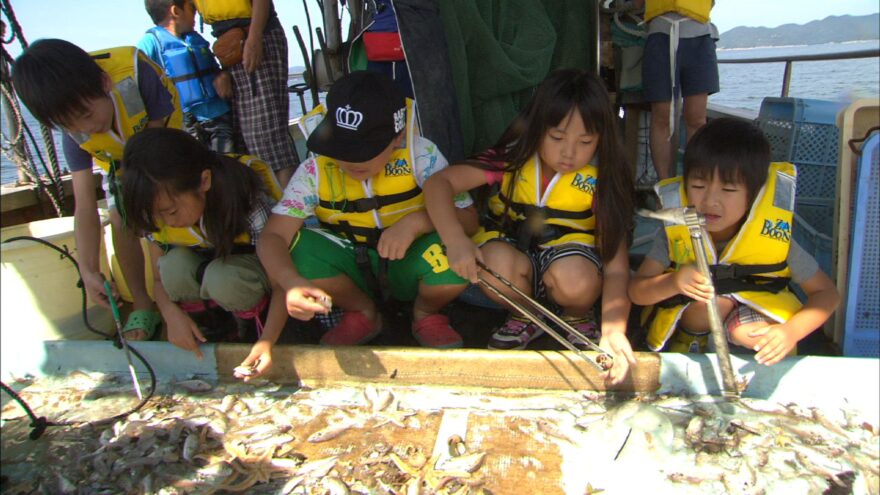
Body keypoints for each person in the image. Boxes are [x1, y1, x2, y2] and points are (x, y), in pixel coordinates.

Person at [423, 69, 637, 386]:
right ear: (538, 129)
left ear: (601, 140)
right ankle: (524, 315)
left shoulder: (601, 181)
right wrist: (455, 240)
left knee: (576, 280)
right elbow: (439, 183)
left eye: (585, 141)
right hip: (514, 266)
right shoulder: (510, 160)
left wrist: (614, 331)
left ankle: (578, 317)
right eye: (557, 137)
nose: (569, 152)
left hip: (571, 266)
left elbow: (617, 267)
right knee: (491, 260)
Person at [258, 70, 478, 350]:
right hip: (352, 269)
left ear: (397, 138)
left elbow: (470, 220)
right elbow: (272, 237)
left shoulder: (422, 155)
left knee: (456, 247)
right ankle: (362, 313)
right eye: (341, 146)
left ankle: (426, 313)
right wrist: (291, 282)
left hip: (410, 264)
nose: (349, 159)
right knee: (295, 249)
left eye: (363, 149)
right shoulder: (314, 169)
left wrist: (415, 223)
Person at [628, 118, 840, 365]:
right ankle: (690, 343)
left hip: (746, 321)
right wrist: (673, 281)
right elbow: (636, 292)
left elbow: (827, 294)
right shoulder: (672, 234)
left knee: (749, 332)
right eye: (698, 185)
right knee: (711, 303)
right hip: (693, 323)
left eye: (728, 190)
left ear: (753, 195)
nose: (710, 201)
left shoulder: (774, 236)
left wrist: (790, 332)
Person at [12, 38, 183, 341]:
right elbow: (85, 206)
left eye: (88, 115)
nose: (85, 128)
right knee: (120, 217)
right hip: (119, 159)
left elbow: (158, 145)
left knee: (163, 208)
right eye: (70, 124)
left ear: (105, 83)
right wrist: (88, 270)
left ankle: (176, 303)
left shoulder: (136, 74)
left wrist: (143, 191)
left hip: (166, 142)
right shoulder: (76, 132)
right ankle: (143, 304)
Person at [121, 127, 288, 378]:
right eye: (156, 215)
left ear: (204, 181)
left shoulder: (247, 201)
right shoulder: (156, 210)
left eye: (172, 212)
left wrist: (267, 341)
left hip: (251, 278)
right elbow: (158, 279)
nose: (165, 221)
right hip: (205, 274)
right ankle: (212, 329)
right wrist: (170, 314)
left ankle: (249, 332)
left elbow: (280, 282)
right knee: (172, 266)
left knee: (224, 278)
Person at [193, 0, 298, 186]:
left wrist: (255, 38)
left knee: (268, 138)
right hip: (229, 47)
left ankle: (291, 210)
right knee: (243, 140)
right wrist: (222, 70)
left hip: (254, 37)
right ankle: (268, 209)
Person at [634, 0, 719, 180]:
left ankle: (695, 182)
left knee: (696, 117)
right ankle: (665, 187)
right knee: (662, 116)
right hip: (661, 35)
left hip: (700, 37)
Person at [138, 0, 235, 153]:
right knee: (194, 167)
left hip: (218, 115)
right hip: (185, 122)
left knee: (226, 164)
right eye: (192, 8)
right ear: (176, 11)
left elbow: (214, 67)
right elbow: (138, 77)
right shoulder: (150, 42)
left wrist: (224, 75)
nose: (197, 12)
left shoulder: (195, 39)